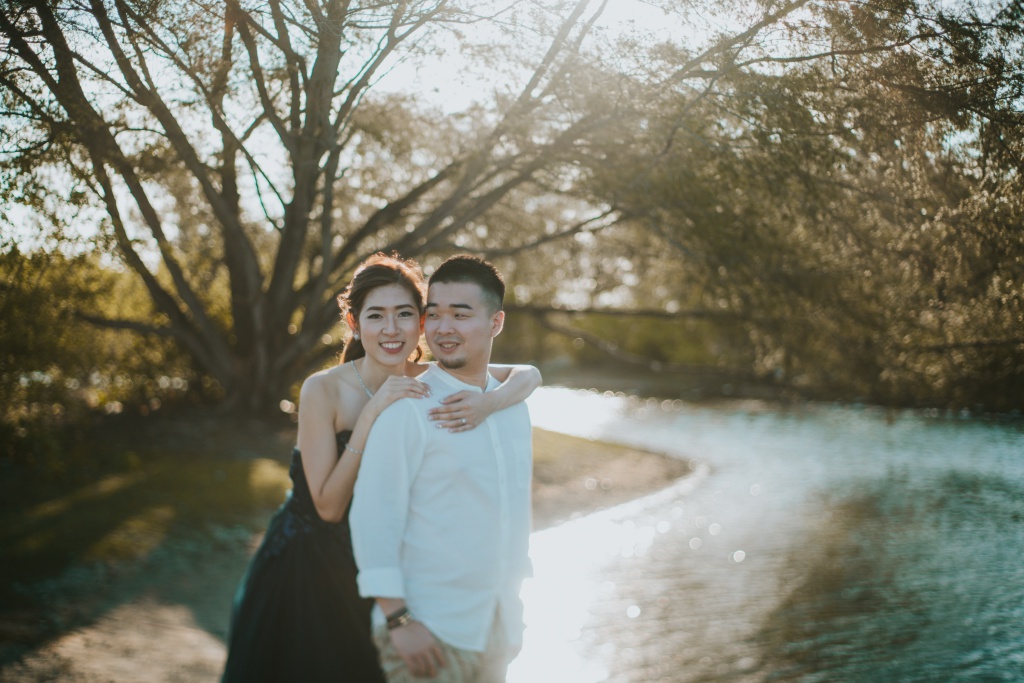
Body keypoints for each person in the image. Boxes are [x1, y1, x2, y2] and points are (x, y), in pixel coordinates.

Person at [221, 254, 541, 683]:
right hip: (310, 562)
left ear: (420, 323)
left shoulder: (428, 375)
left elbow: (526, 375)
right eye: (376, 316)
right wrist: (371, 414)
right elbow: (329, 507)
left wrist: (491, 402)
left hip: (377, 564)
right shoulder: (324, 389)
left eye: (405, 314)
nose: (391, 330)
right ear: (354, 324)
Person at [350, 255, 534, 683]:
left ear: (496, 322)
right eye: (433, 314)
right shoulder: (408, 409)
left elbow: (512, 512)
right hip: (428, 633)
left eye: (460, 314)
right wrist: (398, 620)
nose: (442, 328)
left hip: (495, 627)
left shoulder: (511, 407)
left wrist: (514, 608)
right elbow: (373, 517)